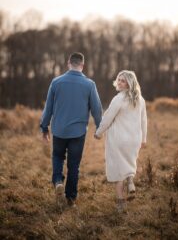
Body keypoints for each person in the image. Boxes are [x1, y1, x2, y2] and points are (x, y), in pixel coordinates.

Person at [40, 52, 102, 207]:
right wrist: (99, 128)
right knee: (74, 165)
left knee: (57, 156)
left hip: (59, 130)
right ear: (82, 65)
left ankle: (58, 181)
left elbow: (48, 108)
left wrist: (44, 127)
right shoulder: (90, 84)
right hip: (78, 132)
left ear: (68, 63)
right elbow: (97, 109)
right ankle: (71, 199)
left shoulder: (56, 82)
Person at [95, 70, 147, 213]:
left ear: (129, 83)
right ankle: (130, 181)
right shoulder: (140, 100)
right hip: (134, 140)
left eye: (122, 81)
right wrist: (144, 139)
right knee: (129, 162)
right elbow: (144, 121)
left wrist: (99, 133)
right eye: (118, 79)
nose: (119, 82)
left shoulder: (119, 98)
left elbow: (107, 118)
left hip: (119, 140)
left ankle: (120, 203)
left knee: (118, 171)